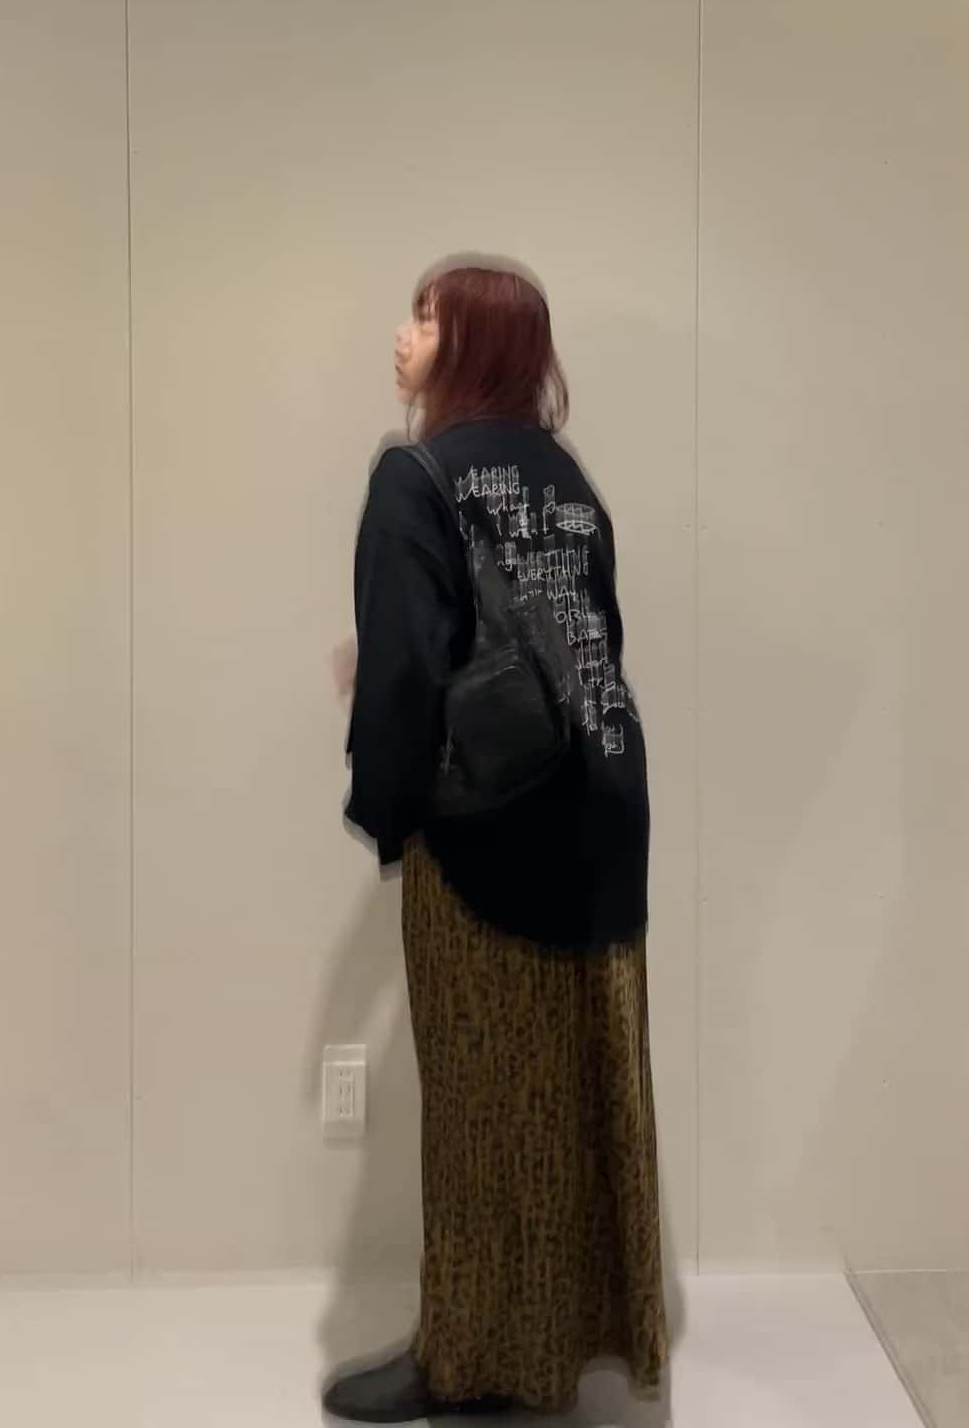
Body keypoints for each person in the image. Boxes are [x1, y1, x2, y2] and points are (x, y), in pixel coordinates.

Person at [323, 260, 665, 1424]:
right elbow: (588, 639)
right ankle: (564, 1342)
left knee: (480, 1102)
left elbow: (407, 673)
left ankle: (468, 1363)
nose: (402, 334)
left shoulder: (414, 476)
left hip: (488, 835)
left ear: (469, 344)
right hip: (604, 813)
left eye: (425, 316)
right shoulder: (565, 477)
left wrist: (388, 811)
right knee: (576, 1090)